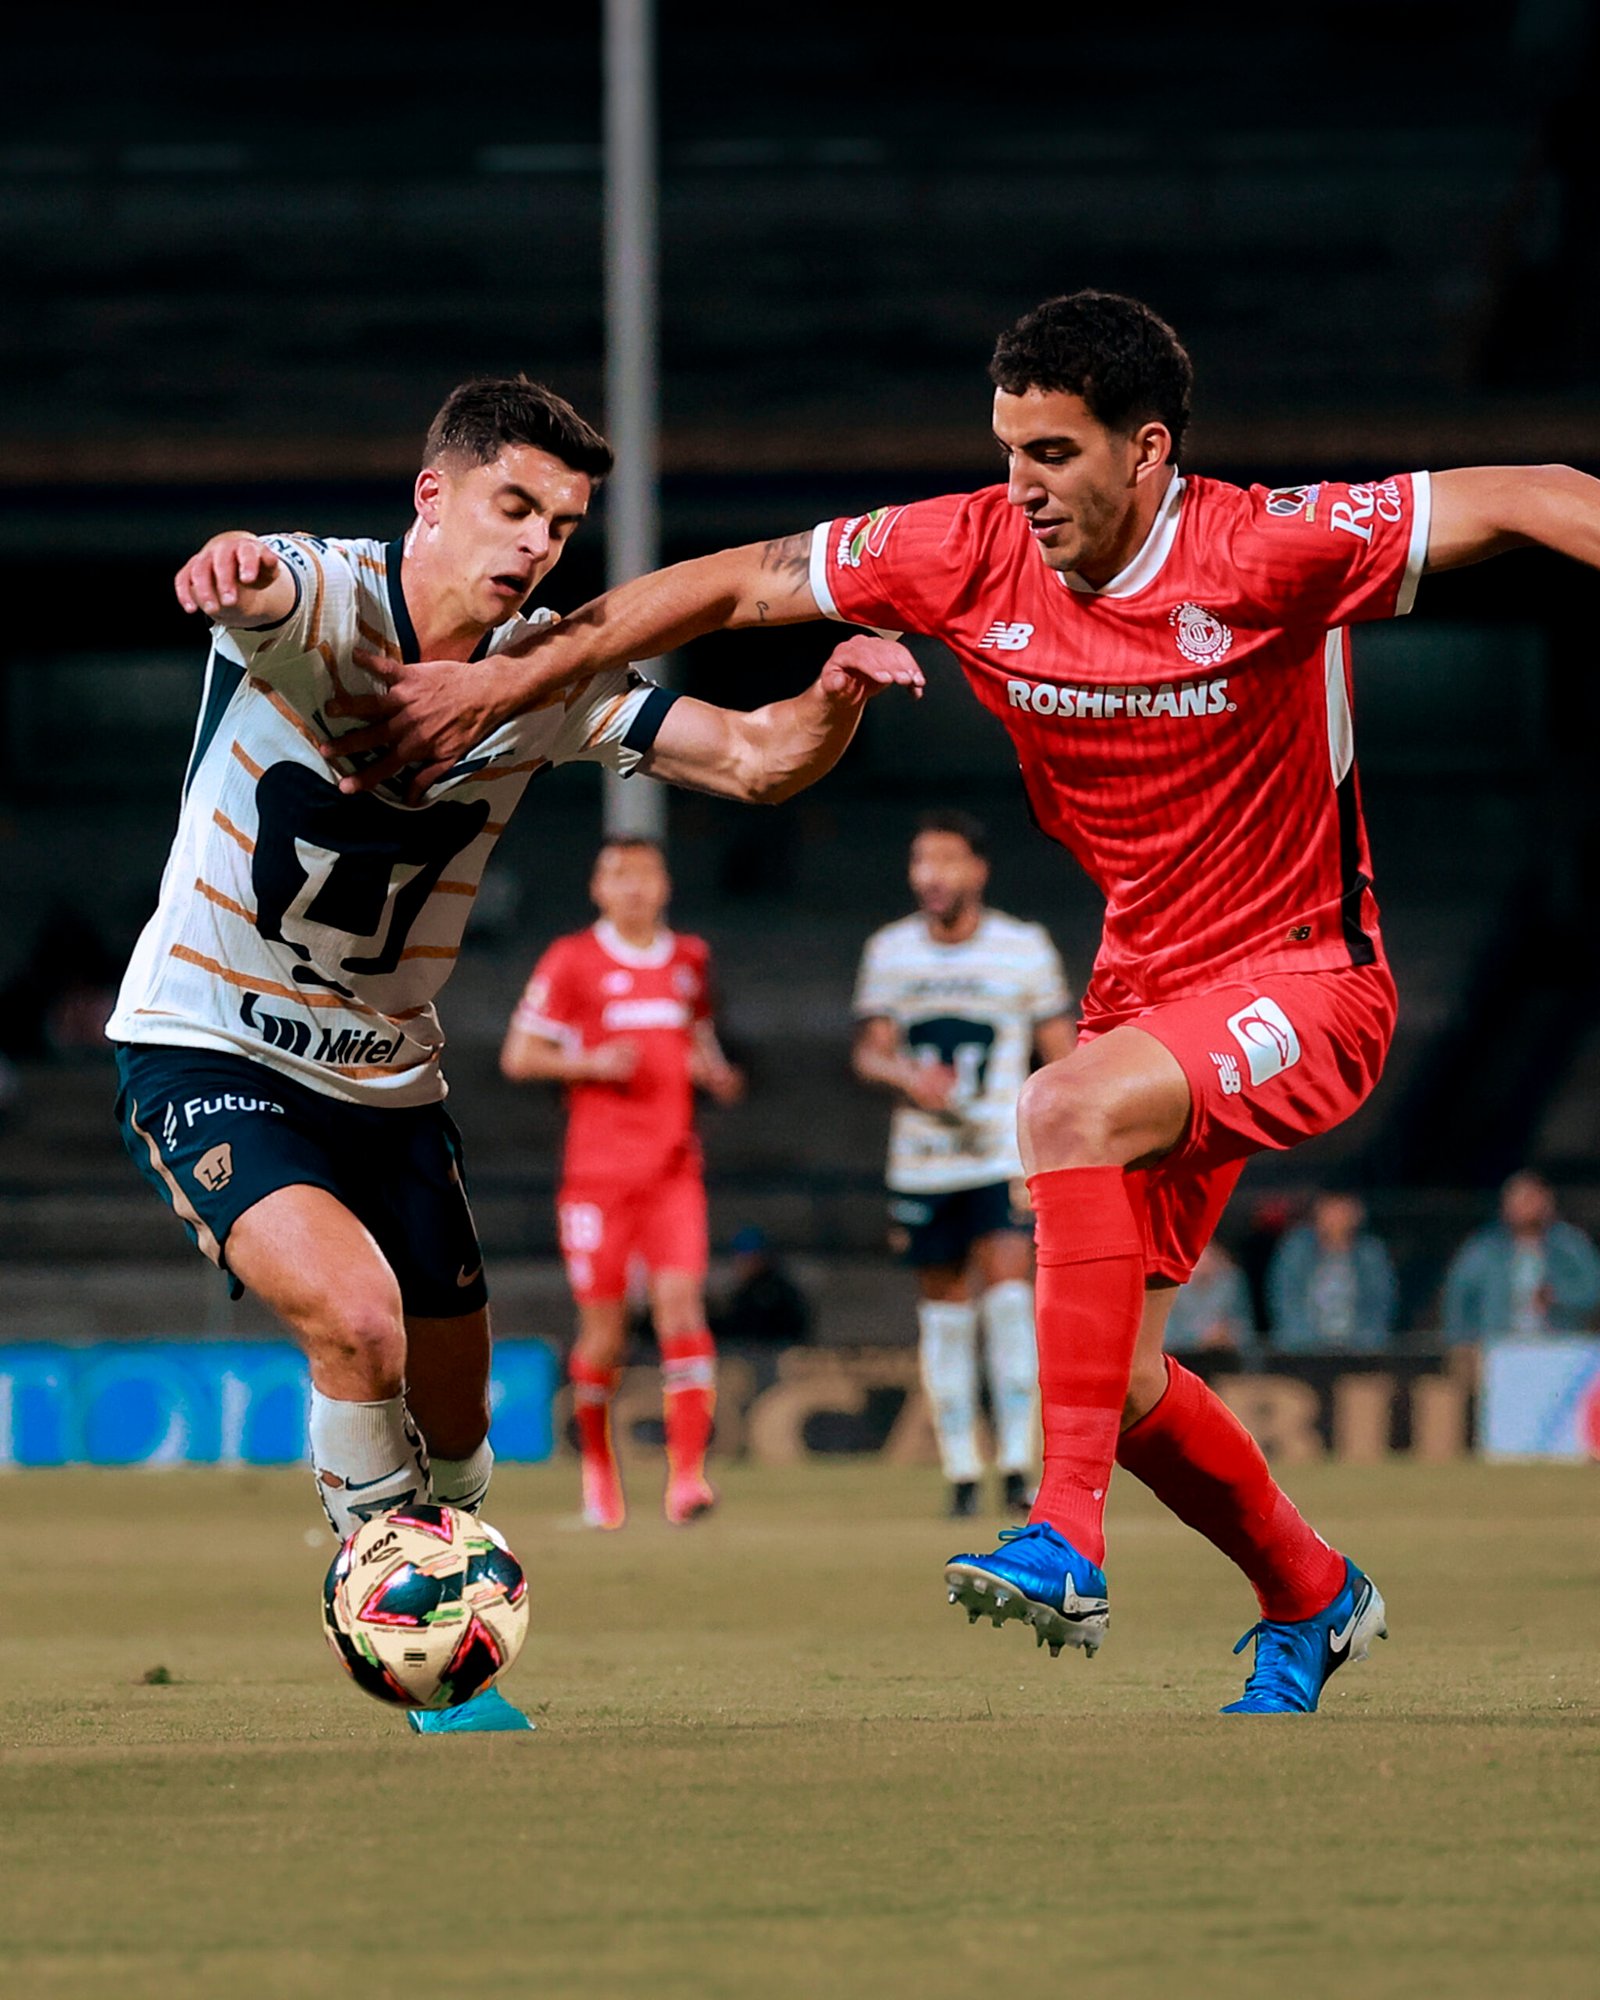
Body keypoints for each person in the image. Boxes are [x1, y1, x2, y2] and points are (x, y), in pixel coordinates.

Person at [322, 292, 1600, 1714]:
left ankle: (1063, 1537)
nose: (1023, 485)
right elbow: (739, 585)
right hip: (1148, 989)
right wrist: (505, 683)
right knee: (1114, 1384)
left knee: (1057, 1104)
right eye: (1007, 448)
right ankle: (1314, 1593)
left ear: (1151, 449)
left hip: (1307, 972)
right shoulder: (965, 550)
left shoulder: (1267, 546)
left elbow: (1541, 495)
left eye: (1054, 452)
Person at [108, 375, 922, 1733]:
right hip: (207, 1039)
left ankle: (439, 1573)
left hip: (389, 1078)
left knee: (463, 1431)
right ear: (433, 497)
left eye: (561, 521)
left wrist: (834, 689)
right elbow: (253, 585)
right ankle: (412, 1648)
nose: (538, 542)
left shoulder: (544, 677)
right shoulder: (329, 598)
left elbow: (757, 760)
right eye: (514, 505)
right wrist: (228, 566)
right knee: (354, 1323)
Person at [499, 836, 743, 1529]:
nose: (634, 887)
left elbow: (695, 1033)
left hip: (672, 1169)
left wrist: (712, 1071)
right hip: (597, 1176)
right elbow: (520, 1056)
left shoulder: (689, 958)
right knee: (604, 1335)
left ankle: (687, 1480)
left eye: (645, 874)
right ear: (597, 889)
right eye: (618, 875)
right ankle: (599, 1474)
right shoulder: (572, 960)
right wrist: (593, 1062)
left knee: (681, 1308)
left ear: (664, 885)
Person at [852, 811, 1074, 1518]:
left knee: (1011, 1301)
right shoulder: (890, 951)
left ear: (977, 870)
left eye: (946, 860)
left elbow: (1060, 1050)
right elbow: (870, 1050)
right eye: (921, 860)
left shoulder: (1022, 947)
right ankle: (959, 1471)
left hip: (999, 1153)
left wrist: (1063, 1130)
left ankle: (1016, 1465)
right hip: (923, 1161)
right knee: (944, 1314)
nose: (931, 875)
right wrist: (905, 1077)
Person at [1443, 1170, 1600, 1342]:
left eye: (1534, 1199)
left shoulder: (1570, 1245)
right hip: (1497, 1346)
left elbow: (1592, 1291)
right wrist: (1460, 1342)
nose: (1528, 1207)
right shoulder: (1483, 1249)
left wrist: (1558, 1296)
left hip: (1558, 1345)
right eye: (1522, 1200)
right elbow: (1457, 1298)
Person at [1267, 1192, 1399, 1352]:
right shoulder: (1296, 1249)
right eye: (1330, 1208)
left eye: (1343, 1209)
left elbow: (1380, 1304)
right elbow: (1284, 1299)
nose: (1336, 1217)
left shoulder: (1371, 1253)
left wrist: (1364, 1345)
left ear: (1357, 1213)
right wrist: (1306, 1345)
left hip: (1359, 1350)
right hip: (1304, 1349)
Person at [711, 1224, 813, 1346]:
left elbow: (748, 1329)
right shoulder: (749, 1290)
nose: (739, 1265)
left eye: (746, 1259)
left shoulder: (773, 1293)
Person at [1162, 1241, 1254, 1357]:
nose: (1206, 1261)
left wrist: (1228, 1335)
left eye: (1211, 1255)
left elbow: (1246, 1330)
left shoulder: (1231, 1283)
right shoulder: (1170, 1285)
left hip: (1227, 1358)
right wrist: (1200, 1339)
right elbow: (1165, 1337)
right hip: (1181, 1359)